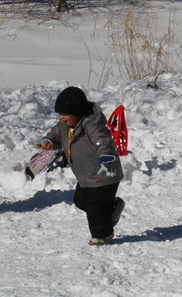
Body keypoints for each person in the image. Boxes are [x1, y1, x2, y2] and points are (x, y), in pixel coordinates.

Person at [39, 86, 125, 245]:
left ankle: (102, 235)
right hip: (86, 176)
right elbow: (55, 135)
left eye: (65, 114)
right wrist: (49, 141)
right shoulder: (63, 126)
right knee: (80, 201)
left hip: (104, 173)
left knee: (95, 208)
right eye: (60, 113)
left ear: (77, 112)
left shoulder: (92, 126)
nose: (61, 117)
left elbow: (103, 141)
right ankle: (111, 210)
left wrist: (106, 157)